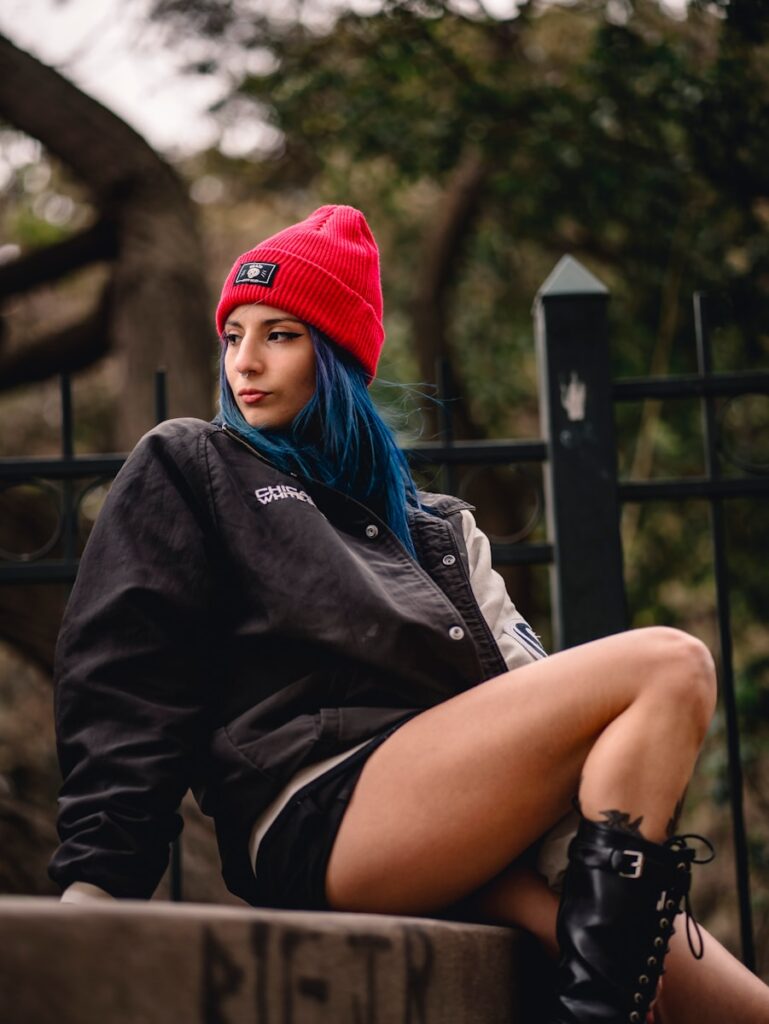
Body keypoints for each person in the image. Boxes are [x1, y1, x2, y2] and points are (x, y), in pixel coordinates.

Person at [49, 205, 769, 1023]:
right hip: (317, 813)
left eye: (279, 334)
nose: (244, 362)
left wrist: (586, 896)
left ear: (337, 355)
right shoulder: (196, 465)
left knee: (724, 1003)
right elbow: (127, 673)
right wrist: (99, 877)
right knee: (670, 664)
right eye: (233, 334)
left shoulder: (438, 530)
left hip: (458, 834)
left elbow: (532, 704)